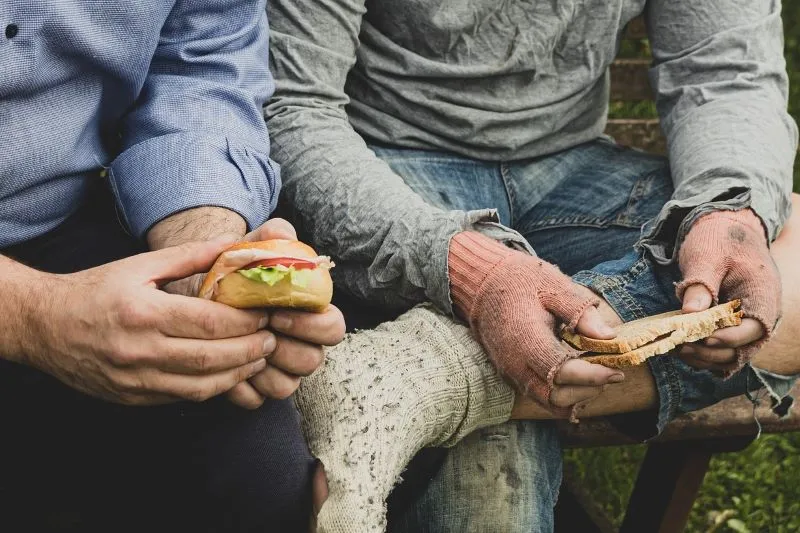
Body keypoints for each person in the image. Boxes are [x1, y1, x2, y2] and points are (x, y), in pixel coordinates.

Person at [266, 0, 799, 531]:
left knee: (776, 250)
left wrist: (728, 216)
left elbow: (725, 69)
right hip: (387, 166)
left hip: (577, 170)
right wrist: (472, 272)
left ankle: (419, 375)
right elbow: (293, 105)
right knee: (495, 475)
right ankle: (461, 369)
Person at [0, 2, 344, 531]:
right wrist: (32, 316)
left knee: (261, 478)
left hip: (56, 219)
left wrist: (206, 264)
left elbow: (200, 63)